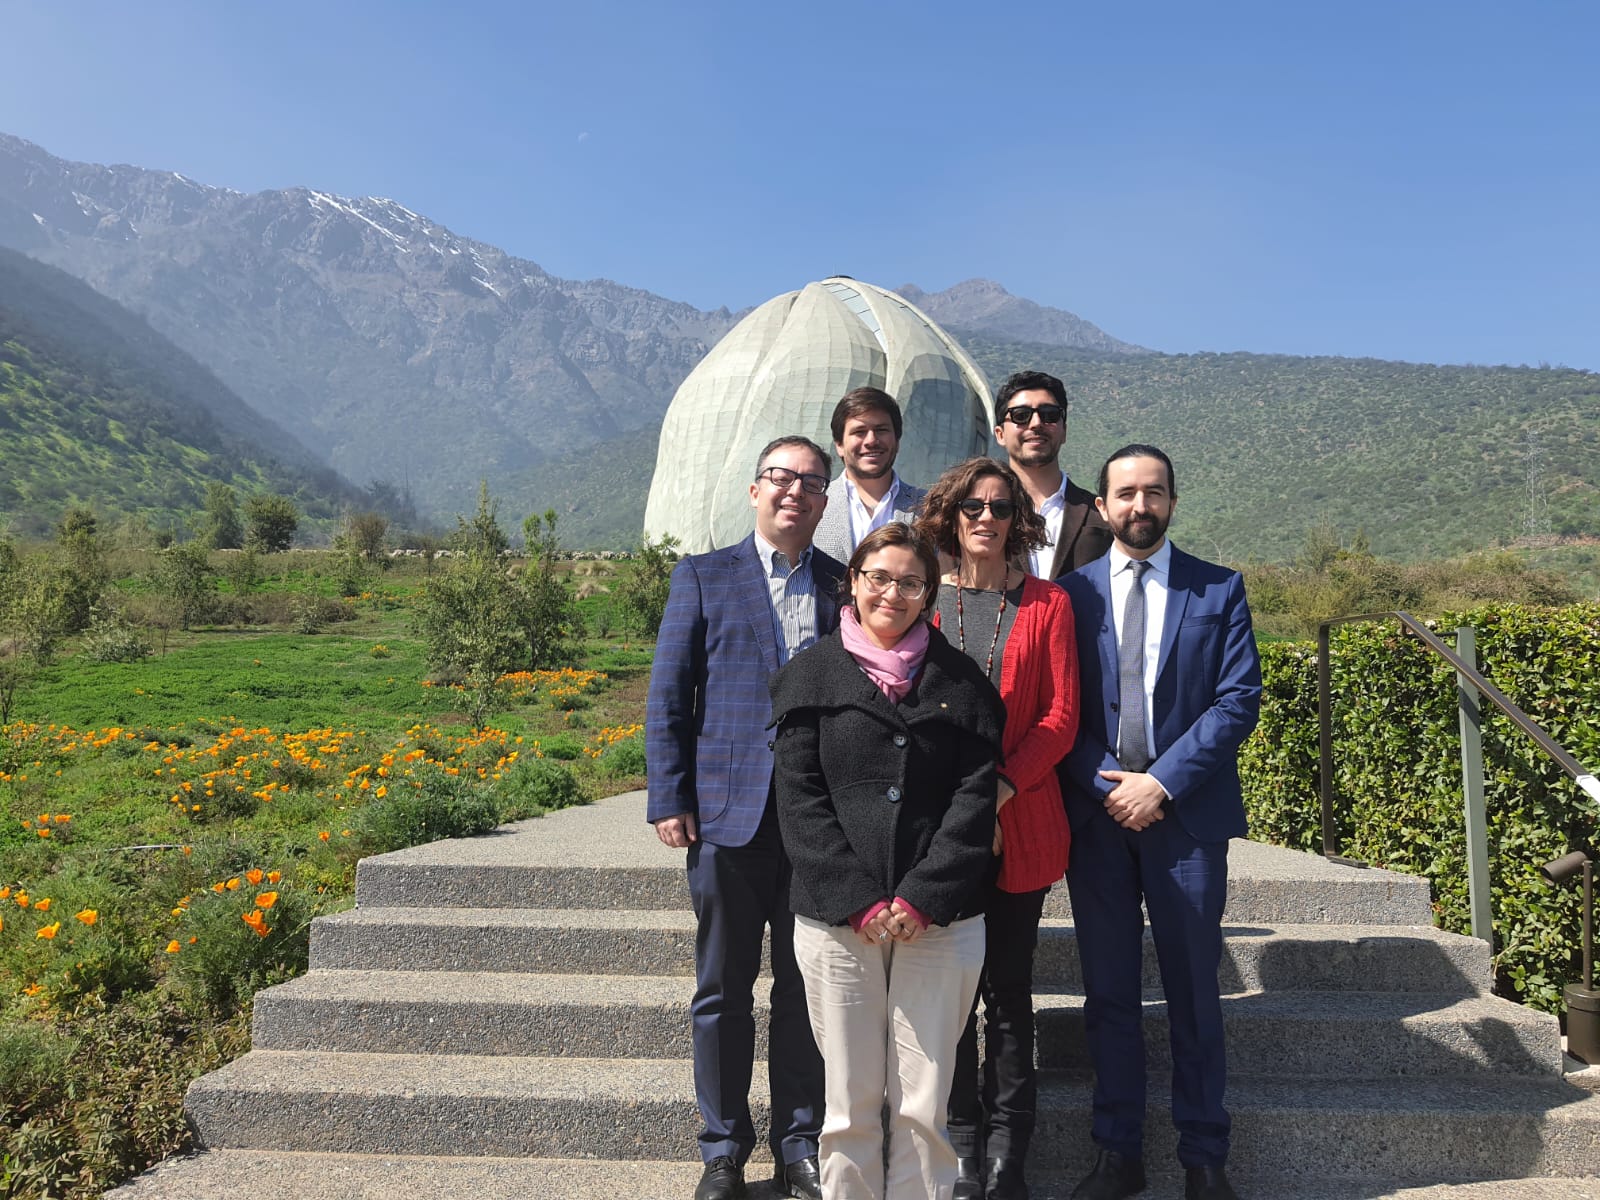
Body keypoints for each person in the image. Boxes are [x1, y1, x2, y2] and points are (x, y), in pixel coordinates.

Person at [772, 523, 1006, 1200]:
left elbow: (974, 797)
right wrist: (861, 899)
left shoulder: (962, 683)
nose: (892, 594)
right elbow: (801, 800)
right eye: (880, 577)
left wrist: (920, 897)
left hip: (942, 920)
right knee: (847, 1102)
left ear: (929, 594)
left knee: (923, 1104)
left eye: (911, 582)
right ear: (854, 581)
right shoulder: (810, 676)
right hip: (837, 920)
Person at [1055, 445, 1262, 1200]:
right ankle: (1119, 1153)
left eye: (1155, 493)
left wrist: (1161, 783)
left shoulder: (1219, 589)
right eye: (1126, 494)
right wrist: (1107, 784)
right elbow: (1059, 708)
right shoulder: (1066, 596)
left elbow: (1237, 700)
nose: (1140, 507)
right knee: (1108, 993)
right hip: (1099, 816)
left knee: (1194, 993)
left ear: (1173, 500)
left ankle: (1204, 1158)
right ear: (1102, 506)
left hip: (1186, 821)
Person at [646, 435, 844, 1200]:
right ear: (755, 491)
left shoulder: (841, 585)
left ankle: (800, 1144)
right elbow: (670, 694)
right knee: (722, 989)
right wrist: (671, 796)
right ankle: (722, 1151)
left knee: (804, 990)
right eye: (781, 478)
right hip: (727, 817)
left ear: (824, 502)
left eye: (810, 483)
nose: (795, 491)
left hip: (816, 823)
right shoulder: (703, 577)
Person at [917, 457, 1081, 1200]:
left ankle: (1009, 1156)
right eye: (973, 507)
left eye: (1002, 507)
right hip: (938, 834)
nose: (987, 518)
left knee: (1009, 994)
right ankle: (960, 1143)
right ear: (950, 517)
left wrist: (1000, 793)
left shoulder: (1048, 605)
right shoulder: (921, 603)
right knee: (950, 994)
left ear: (1021, 521)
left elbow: (1059, 720)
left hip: (1020, 825)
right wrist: (960, 811)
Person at [992, 370, 1111, 578]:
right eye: (1021, 415)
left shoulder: (1101, 516)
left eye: (1049, 415)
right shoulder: (976, 515)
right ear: (1000, 434)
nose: (1036, 423)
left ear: (1064, 430)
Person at [812, 386, 927, 564]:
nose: (871, 440)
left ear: (897, 442)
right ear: (839, 445)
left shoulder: (929, 509)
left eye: (881, 430)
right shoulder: (812, 505)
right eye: (859, 432)